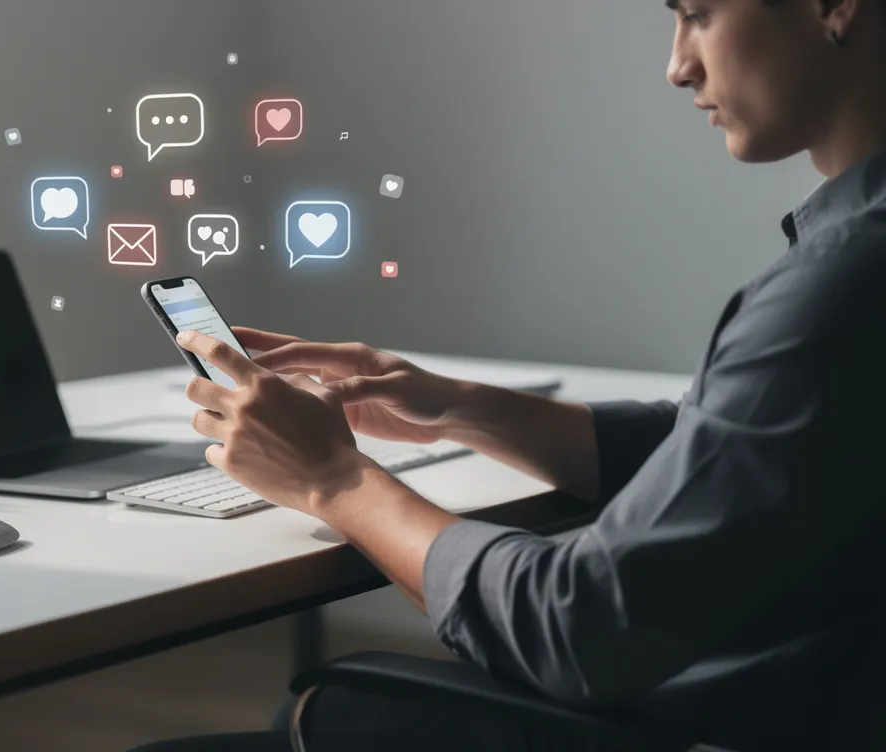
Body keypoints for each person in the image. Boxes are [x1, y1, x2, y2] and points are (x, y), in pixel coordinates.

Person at [131, 0, 886, 750]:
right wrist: (456, 407)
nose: (677, 66)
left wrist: (333, 480)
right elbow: (737, 453)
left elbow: (579, 626)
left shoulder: (843, 283)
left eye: (698, 14)